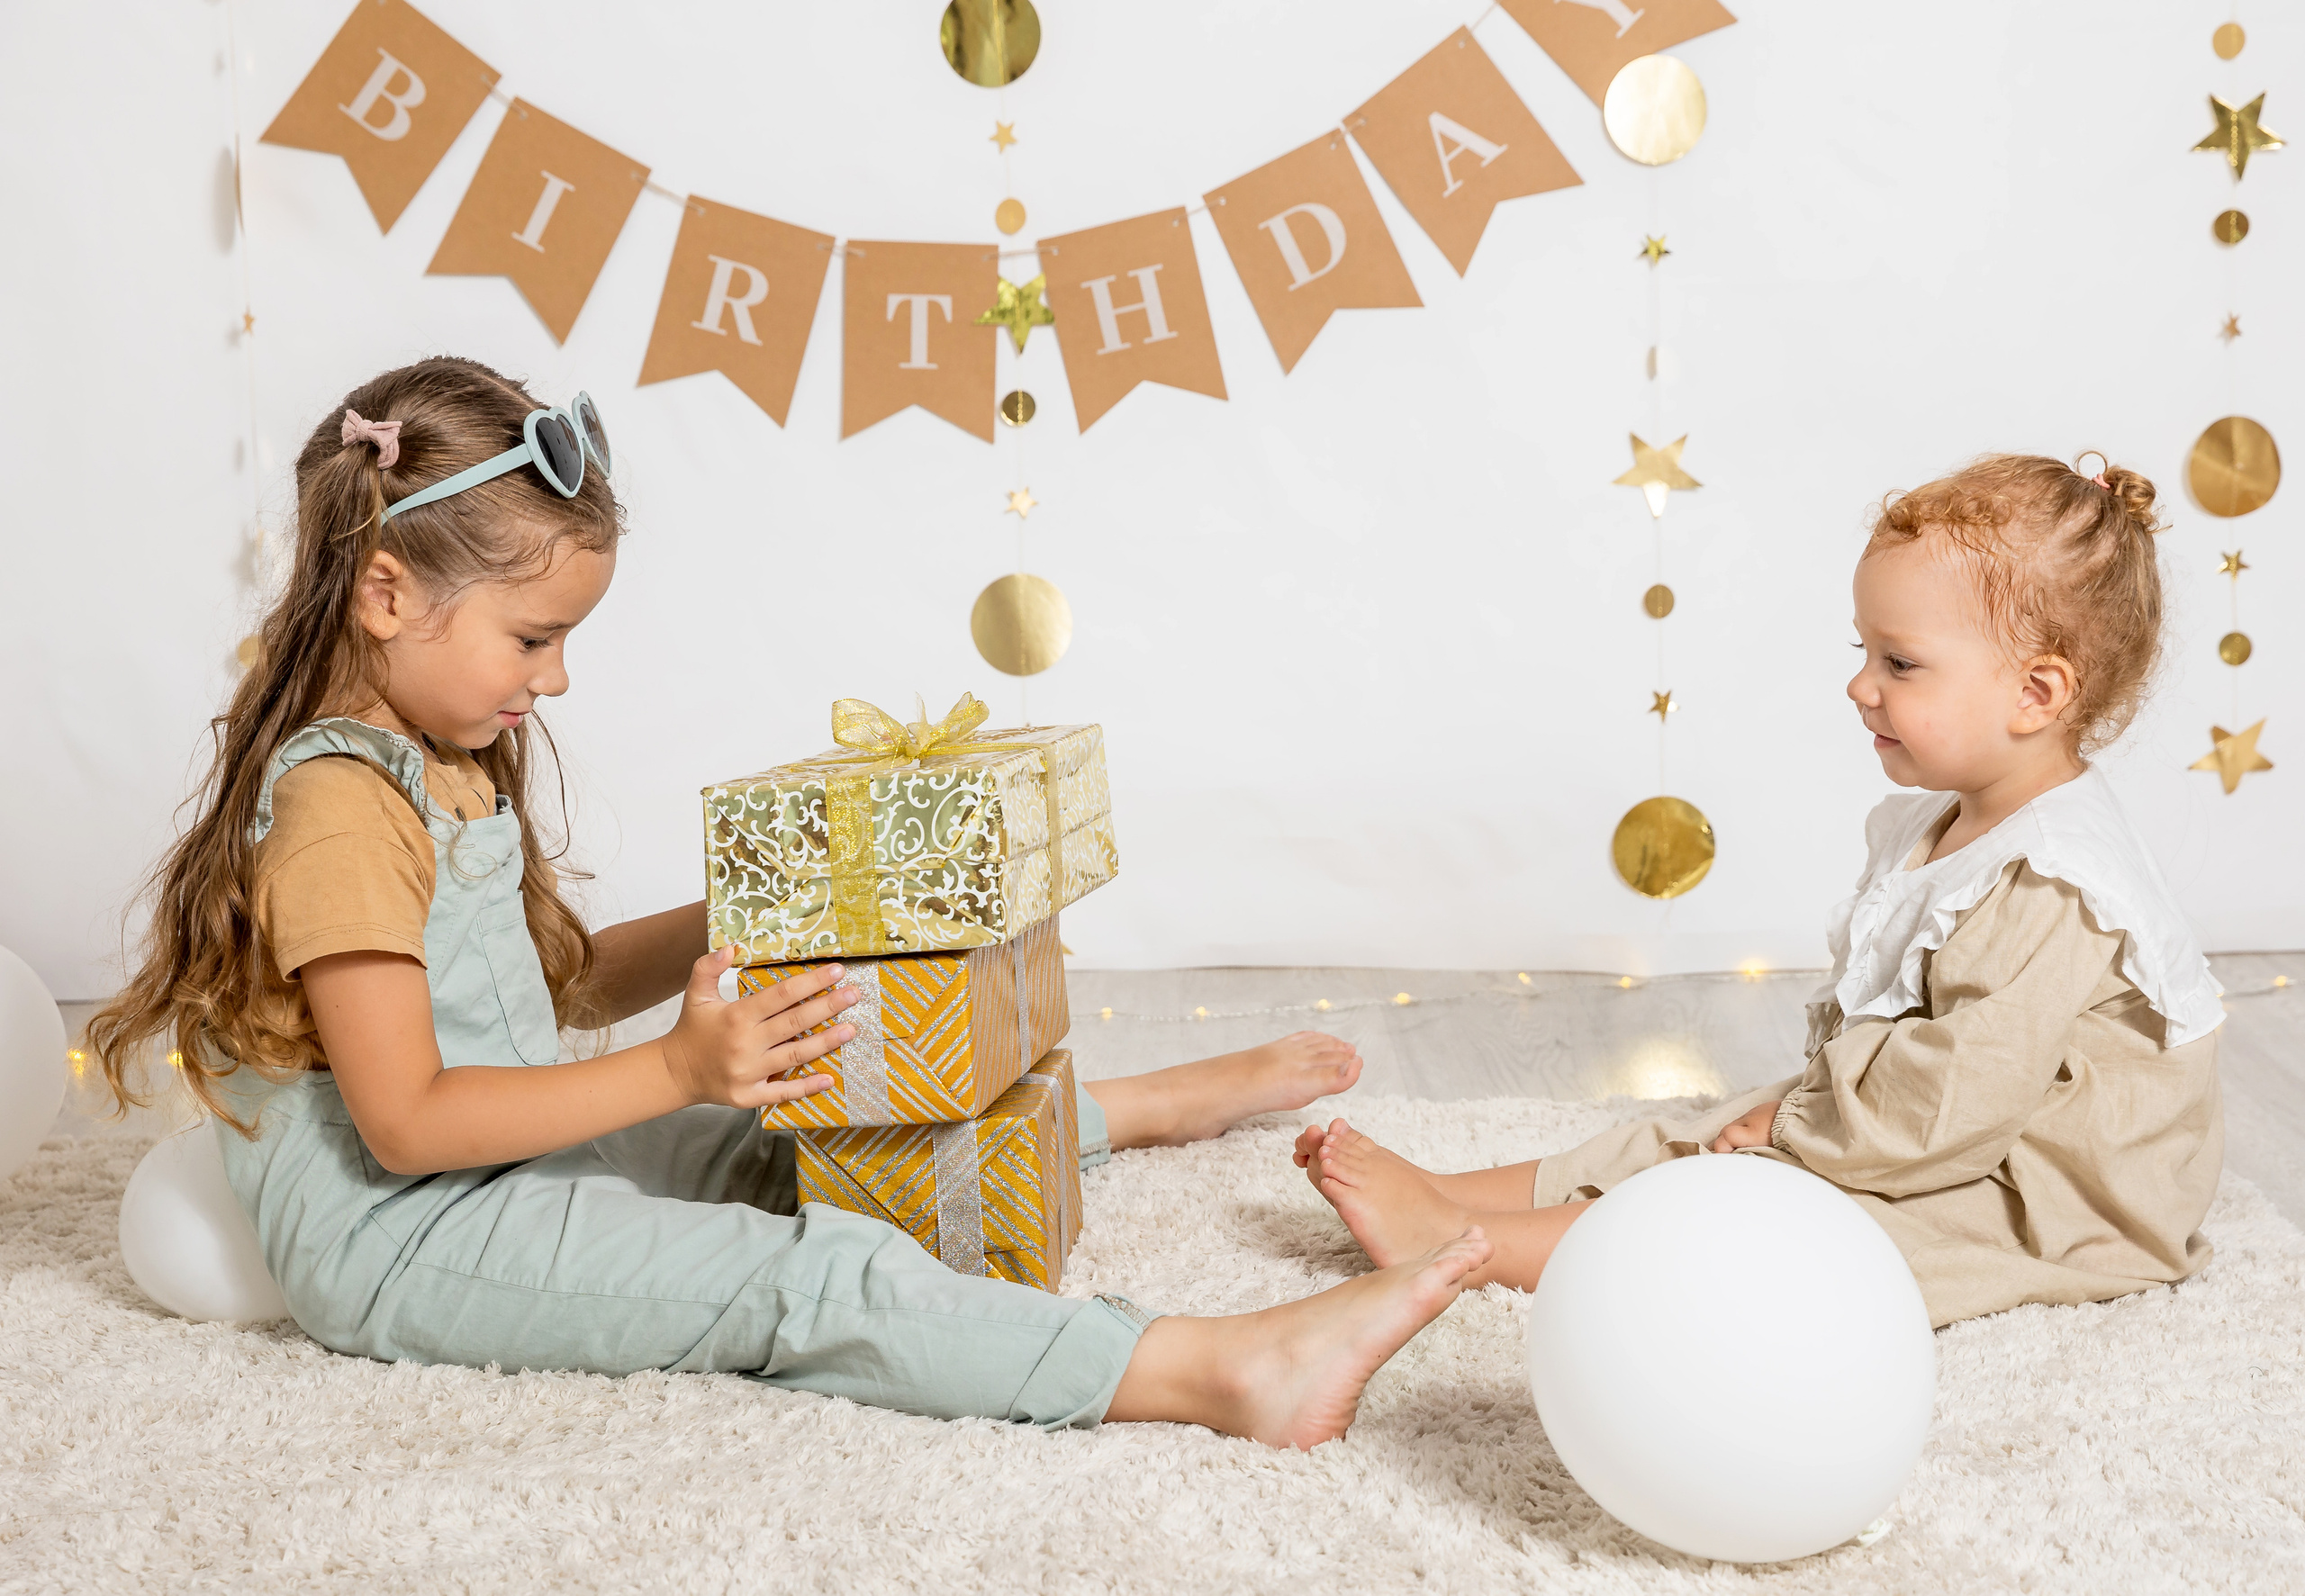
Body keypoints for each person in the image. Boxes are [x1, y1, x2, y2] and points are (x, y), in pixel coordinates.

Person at [86, 356, 1491, 1447]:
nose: (556, 678)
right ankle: (1215, 1368)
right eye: (534, 637)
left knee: (827, 1139)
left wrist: (746, 911)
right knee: (803, 1273)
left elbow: (544, 987)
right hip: (411, 1233)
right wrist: (674, 1069)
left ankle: (1126, 1109)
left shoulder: (440, 760)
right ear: (387, 594)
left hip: (498, 1162)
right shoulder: (339, 807)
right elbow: (406, 1122)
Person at [1297, 453, 2225, 1328]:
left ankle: (1473, 1246)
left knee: (1765, 1216)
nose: (1859, 685)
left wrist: (1795, 1130)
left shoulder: (2054, 881)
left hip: (2046, 1201)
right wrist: (1794, 1113)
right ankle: (1456, 1197)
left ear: (2036, 694)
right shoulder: (1955, 822)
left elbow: (1954, 1107)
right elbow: (1923, 1079)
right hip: (1947, 1123)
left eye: (1899, 664)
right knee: (1702, 1129)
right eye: (1863, 651)